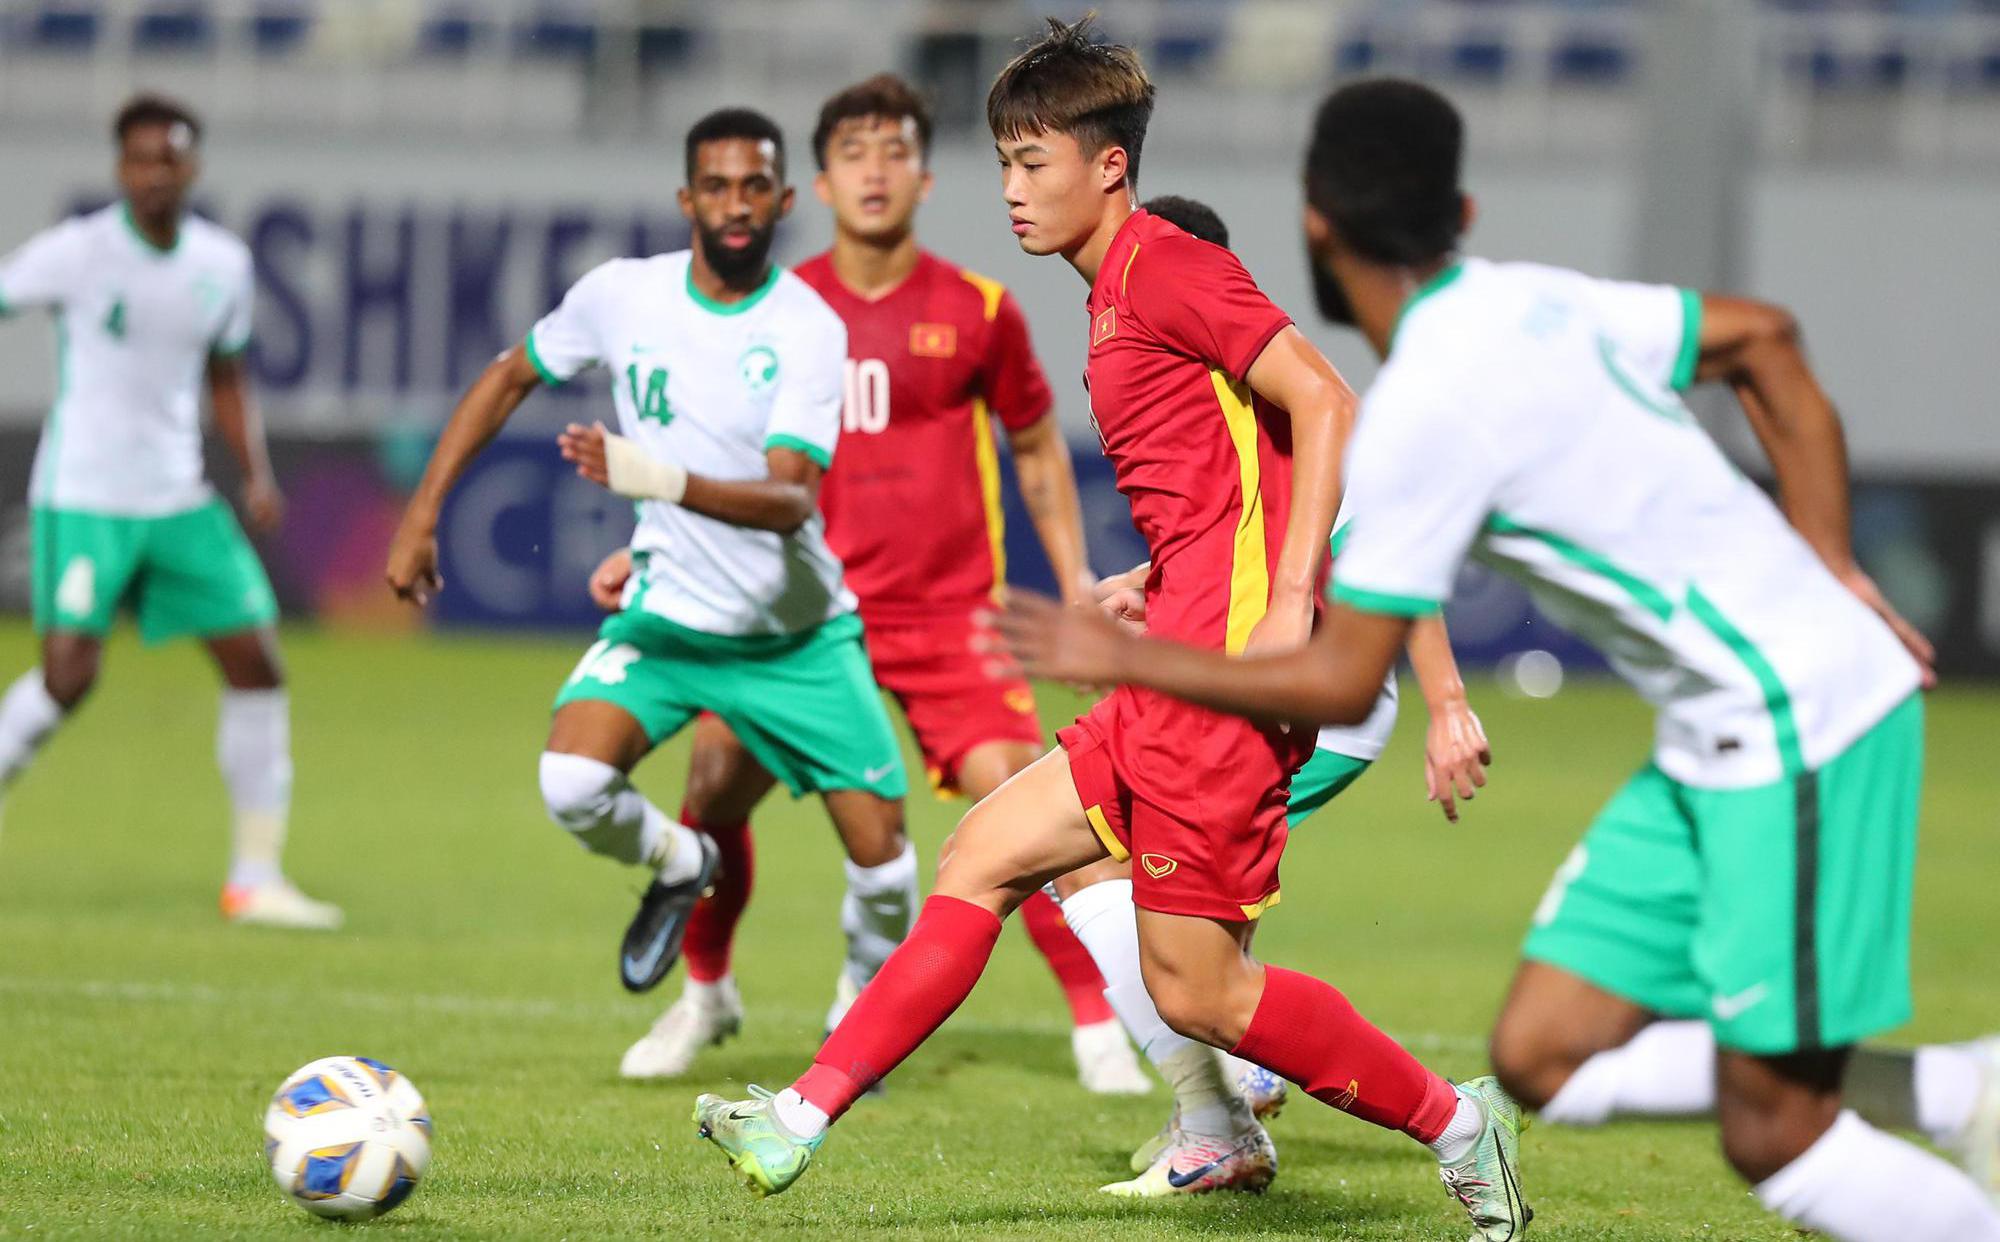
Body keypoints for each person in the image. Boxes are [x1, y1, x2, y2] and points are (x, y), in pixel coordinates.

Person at [996, 77, 2000, 1242]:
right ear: (1461, 209)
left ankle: (1957, 1116)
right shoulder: (1537, 302)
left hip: (1802, 719)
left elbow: (1328, 682)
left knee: (1774, 1134)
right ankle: (1958, 1089)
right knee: (1537, 1058)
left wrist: (1136, 656)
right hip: (1708, 736)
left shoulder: (1421, 414)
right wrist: (1834, 566)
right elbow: (1765, 340)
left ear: (1314, 225)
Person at [694, 24, 1524, 1238]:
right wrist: (1168, 570)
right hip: (1171, 667)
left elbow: (1327, 401)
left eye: (1033, 162)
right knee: (981, 852)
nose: (1012, 188)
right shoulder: (1114, 288)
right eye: (1004, 163)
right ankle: (797, 1121)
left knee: (1205, 993)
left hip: (1221, 690)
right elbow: (1253, 463)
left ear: (1109, 167)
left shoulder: (1164, 264)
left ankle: (1458, 1125)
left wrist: (1287, 604)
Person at [578, 74, 1147, 1096]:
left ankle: (1097, 1023)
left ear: (925, 177)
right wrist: (646, 544)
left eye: (893, 151)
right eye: (853, 153)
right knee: (707, 791)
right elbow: (702, 450)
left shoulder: (977, 310)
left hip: (948, 617)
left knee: (1028, 801)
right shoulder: (778, 314)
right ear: (822, 184)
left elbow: (1034, 450)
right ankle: (705, 997)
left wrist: (1068, 580)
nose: (874, 170)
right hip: (796, 618)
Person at [384, 108, 918, 1072]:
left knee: (887, 867)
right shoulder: (621, 296)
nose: (737, 204)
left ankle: (856, 1017)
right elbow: (510, 375)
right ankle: (683, 864)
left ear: (786, 200)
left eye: (755, 186)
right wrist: (424, 511)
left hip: (794, 638)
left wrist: (657, 482)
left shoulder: (806, 325)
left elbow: (792, 499)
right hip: (671, 621)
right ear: (687, 200)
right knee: (572, 783)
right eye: (716, 186)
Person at [0, 94, 339, 930]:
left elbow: (228, 374)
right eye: (140, 159)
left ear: (193, 168)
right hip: (84, 494)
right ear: (120, 169)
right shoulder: (78, 253)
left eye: (170, 158)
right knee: (69, 676)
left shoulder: (223, 263)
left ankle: (254, 878)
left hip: (179, 495)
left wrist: (254, 473)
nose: (155, 173)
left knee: (257, 662)